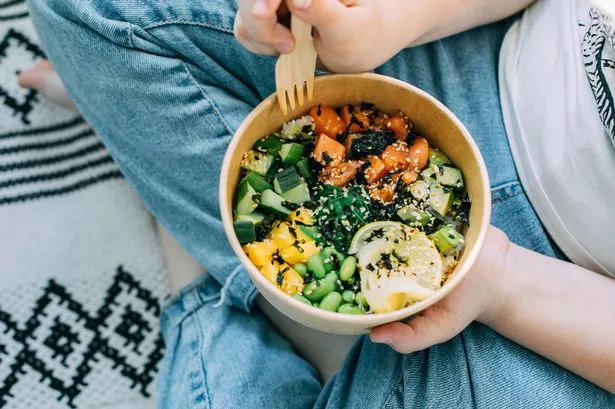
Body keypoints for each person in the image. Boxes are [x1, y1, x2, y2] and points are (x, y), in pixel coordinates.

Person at [22, 0, 615, 407]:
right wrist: (392, 16)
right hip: (483, 65)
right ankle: (167, 167)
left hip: (565, 311)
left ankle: (189, 251)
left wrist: (506, 282)